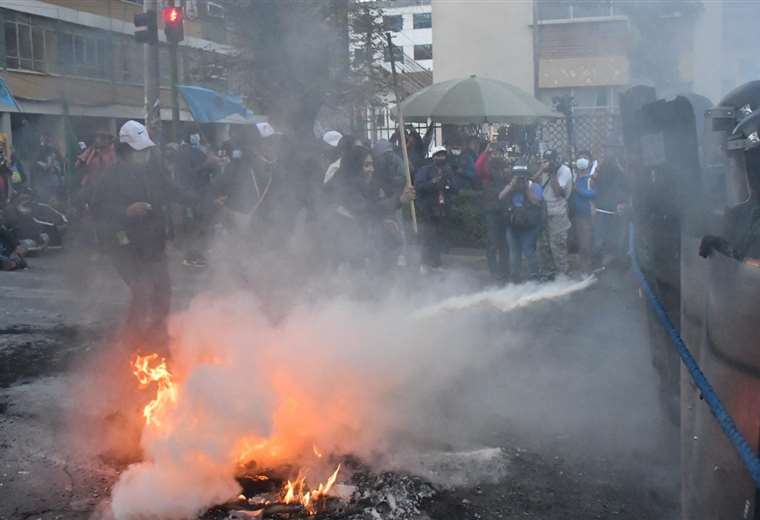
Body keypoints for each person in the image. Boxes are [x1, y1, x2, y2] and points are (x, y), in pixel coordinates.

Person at [91, 120, 198, 352]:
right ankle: (131, 344)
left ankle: (158, 338)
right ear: (126, 151)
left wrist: (203, 200)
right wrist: (125, 212)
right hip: (124, 246)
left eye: (147, 150)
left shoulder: (154, 172)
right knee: (142, 292)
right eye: (140, 151)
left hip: (153, 244)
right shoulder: (110, 178)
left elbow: (173, 190)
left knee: (163, 292)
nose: (145, 155)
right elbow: (98, 211)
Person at [414, 146, 457, 271]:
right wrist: (433, 183)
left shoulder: (448, 171)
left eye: (443, 155)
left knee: (439, 236)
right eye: (438, 155)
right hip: (428, 209)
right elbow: (419, 186)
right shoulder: (425, 170)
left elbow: (456, 188)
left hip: (442, 209)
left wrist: (447, 185)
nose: (441, 158)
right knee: (428, 237)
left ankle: (437, 263)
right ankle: (424, 263)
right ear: (433, 157)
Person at [500, 164, 543, 282]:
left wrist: (526, 189)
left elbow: (537, 202)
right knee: (514, 253)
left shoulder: (534, 187)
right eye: (516, 176)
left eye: (522, 177)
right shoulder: (511, 187)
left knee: (529, 251)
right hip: (513, 225)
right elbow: (501, 197)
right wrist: (511, 185)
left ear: (527, 177)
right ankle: (515, 279)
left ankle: (534, 278)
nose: (520, 179)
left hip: (529, 226)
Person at [536, 149, 573, 277]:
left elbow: (558, 192)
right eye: (546, 160)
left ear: (557, 160)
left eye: (551, 160)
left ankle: (563, 275)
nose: (548, 163)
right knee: (543, 246)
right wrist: (541, 169)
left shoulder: (565, 171)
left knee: (558, 245)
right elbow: (532, 183)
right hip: (543, 212)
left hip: (558, 213)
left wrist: (552, 173)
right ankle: (547, 273)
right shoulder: (543, 170)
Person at [481, 156, 511, 282]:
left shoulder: (501, 178)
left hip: (497, 212)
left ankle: (500, 271)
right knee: (497, 243)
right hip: (493, 212)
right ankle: (498, 271)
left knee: (500, 244)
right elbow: (499, 195)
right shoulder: (490, 179)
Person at [573, 151, 596, 274]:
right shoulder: (575, 177)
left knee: (587, 245)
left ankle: (588, 271)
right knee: (582, 245)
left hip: (589, 216)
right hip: (578, 217)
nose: (581, 160)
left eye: (585, 158)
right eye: (579, 157)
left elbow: (595, 194)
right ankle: (584, 270)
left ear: (590, 162)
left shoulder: (591, 179)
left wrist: (580, 191)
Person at [32, 133, 63, 205]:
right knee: (47, 197)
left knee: (52, 196)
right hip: (46, 180)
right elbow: (44, 166)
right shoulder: (41, 151)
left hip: (52, 179)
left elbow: (52, 165)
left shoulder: (52, 150)